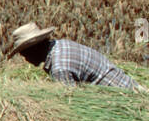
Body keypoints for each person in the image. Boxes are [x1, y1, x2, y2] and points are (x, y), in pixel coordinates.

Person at [8, 22, 139, 89]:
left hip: (121, 95)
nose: (25, 59)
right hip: (127, 83)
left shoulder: (60, 67)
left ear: (34, 49)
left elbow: (70, 102)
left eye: (25, 54)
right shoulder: (60, 44)